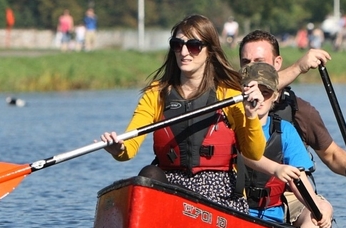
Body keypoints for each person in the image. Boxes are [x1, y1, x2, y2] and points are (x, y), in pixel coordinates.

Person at [97, 15, 267, 213]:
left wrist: (251, 115)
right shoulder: (156, 94)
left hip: (218, 190)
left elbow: (254, 154)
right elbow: (129, 147)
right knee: (148, 175)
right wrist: (118, 149)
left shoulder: (229, 94)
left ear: (209, 51)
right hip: (171, 187)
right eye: (177, 45)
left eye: (194, 45)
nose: (184, 52)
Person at [238, 29, 346, 228]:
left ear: (277, 63)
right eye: (245, 62)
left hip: (289, 196)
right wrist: (299, 67)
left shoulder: (299, 111)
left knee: (320, 211)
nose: (252, 69)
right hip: (239, 197)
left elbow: (332, 155)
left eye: (259, 61)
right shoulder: (229, 104)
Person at [239, 62, 332, 228]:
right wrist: (275, 168)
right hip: (235, 213)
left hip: (272, 217)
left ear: (275, 96)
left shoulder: (285, 131)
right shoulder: (233, 125)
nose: (258, 98)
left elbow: (299, 178)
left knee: (322, 209)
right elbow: (243, 153)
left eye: (265, 92)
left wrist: (317, 209)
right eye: (253, 91)